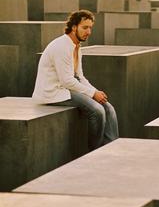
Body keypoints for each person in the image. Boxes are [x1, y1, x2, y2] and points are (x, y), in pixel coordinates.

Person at [32, 9, 119, 149]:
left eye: (90, 28)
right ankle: (95, 152)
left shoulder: (76, 47)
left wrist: (95, 92)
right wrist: (92, 94)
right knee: (97, 111)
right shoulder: (62, 46)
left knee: (108, 107)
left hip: (66, 89)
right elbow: (66, 80)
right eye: (85, 27)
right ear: (74, 27)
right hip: (53, 92)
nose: (88, 32)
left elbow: (80, 77)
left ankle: (110, 148)